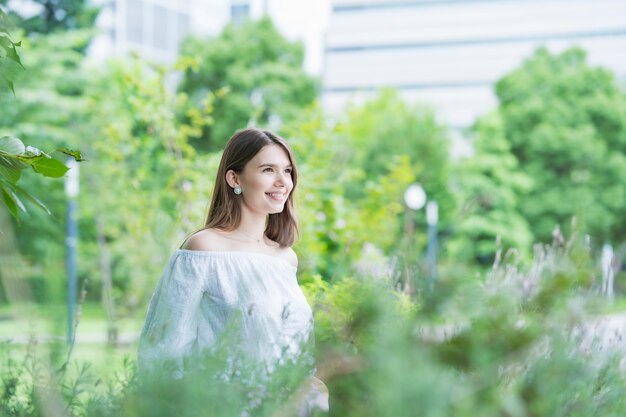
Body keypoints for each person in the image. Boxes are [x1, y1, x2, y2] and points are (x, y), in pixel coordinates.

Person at [137, 127, 328, 415]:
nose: (282, 182)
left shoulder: (285, 258)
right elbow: (165, 347)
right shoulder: (204, 248)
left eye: (287, 171)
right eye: (268, 170)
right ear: (234, 178)